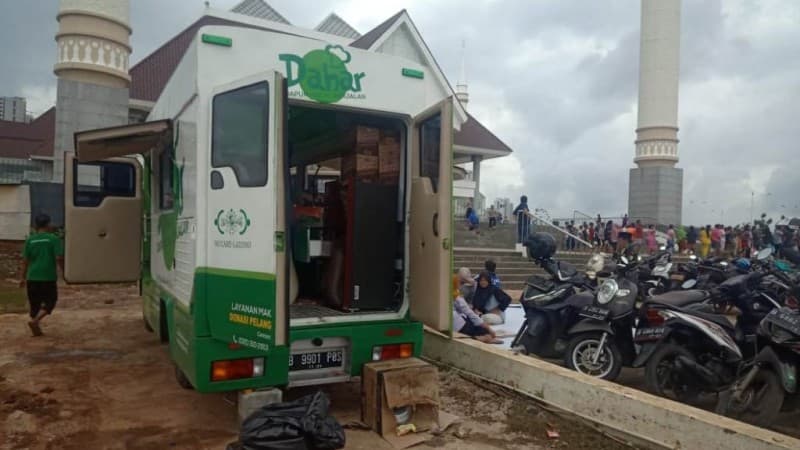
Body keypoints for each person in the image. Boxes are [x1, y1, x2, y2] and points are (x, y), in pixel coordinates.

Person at [19, 214, 64, 337]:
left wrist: (22, 278)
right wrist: (64, 272)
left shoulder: (30, 240)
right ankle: (35, 321)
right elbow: (59, 257)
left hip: (32, 277)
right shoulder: (53, 239)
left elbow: (25, 261)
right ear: (48, 224)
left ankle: (36, 326)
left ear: (36, 226)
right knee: (50, 302)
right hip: (47, 277)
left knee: (35, 304)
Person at [452, 276, 501, 343]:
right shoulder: (458, 295)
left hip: (477, 314)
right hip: (462, 321)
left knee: (480, 323)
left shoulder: (493, 289)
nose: (483, 283)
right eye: (481, 280)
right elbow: (469, 311)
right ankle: (478, 338)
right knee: (484, 330)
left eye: (485, 280)